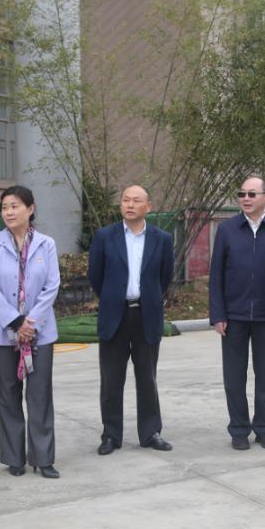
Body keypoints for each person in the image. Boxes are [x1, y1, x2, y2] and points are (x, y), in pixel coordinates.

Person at [0, 186, 62, 478]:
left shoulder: (46, 244)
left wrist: (31, 322)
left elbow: (52, 285)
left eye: (14, 206)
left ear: (30, 208)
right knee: (8, 393)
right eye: (4, 207)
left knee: (40, 394)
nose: (8, 212)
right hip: (3, 331)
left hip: (40, 331)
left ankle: (43, 457)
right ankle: (14, 457)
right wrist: (15, 321)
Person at [208, 176, 265, 451]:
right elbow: (216, 275)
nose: (245, 198)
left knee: (264, 375)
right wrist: (218, 314)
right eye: (242, 193)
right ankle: (239, 429)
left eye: (252, 194)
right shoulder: (227, 230)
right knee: (234, 377)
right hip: (233, 316)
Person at [89, 185, 176, 454]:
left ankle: (151, 433)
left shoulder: (161, 239)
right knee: (111, 380)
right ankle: (110, 435)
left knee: (147, 378)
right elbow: (96, 276)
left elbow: (165, 276)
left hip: (146, 315)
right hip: (115, 315)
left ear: (148, 207)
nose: (129, 205)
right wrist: (113, 297)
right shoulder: (105, 236)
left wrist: (149, 297)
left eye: (136, 201)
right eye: (125, 200)